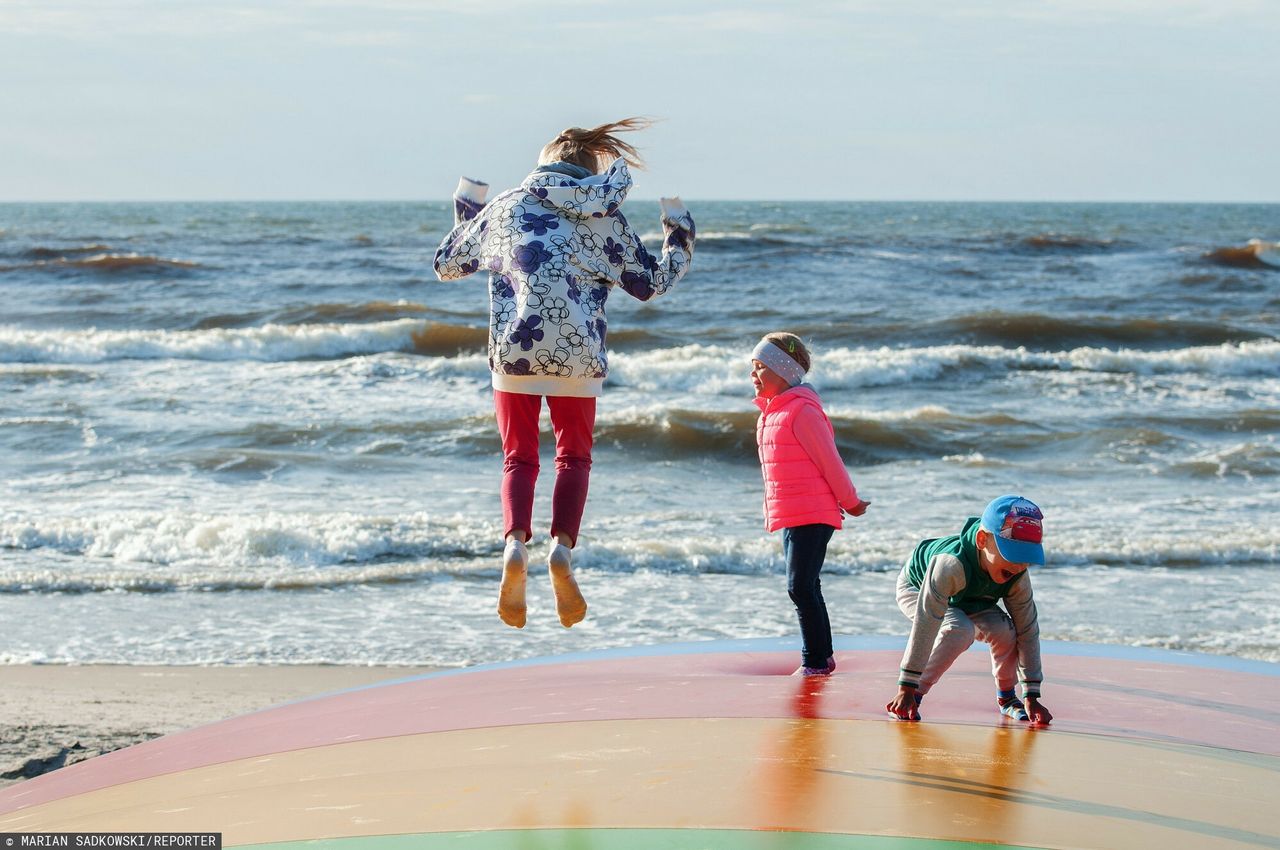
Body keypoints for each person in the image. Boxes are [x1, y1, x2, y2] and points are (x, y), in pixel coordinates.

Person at [433, 118, 695, 629]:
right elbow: (651, 284)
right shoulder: (605, 218)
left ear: (543, 165)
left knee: (519, 458)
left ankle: (514, 544)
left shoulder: (506, 207)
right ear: (590, 171)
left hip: (516, 353)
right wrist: (678, 227)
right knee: (574, 457)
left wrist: (467, 208)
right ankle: (563, 550)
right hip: (578, 356)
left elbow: (447, 261)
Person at [751, 333, 870, 676]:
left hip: (813, 514)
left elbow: (829, 460)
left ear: (784, 371)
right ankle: (823, 656)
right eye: (752, 368)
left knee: (799, 586)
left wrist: (851, 501)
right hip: (793, 514)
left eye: (761, 368)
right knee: (807, 585)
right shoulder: (770, 414)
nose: (753, 375)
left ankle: (814, 660)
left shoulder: (802, 410)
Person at [886, 495, 1053, 724]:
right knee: (959, 630)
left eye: (1027, 557)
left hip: (971, 597)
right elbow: (927, 621)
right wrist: (907, 685)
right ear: (982, 539)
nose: (1019, 565)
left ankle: (1007, 698)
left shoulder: (1017, 575)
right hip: (917, 587)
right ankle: (912, 697)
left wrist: (1032, 694)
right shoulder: (950, 564)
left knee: (1006, 632)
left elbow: (1028, 629)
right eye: (1012, 554)